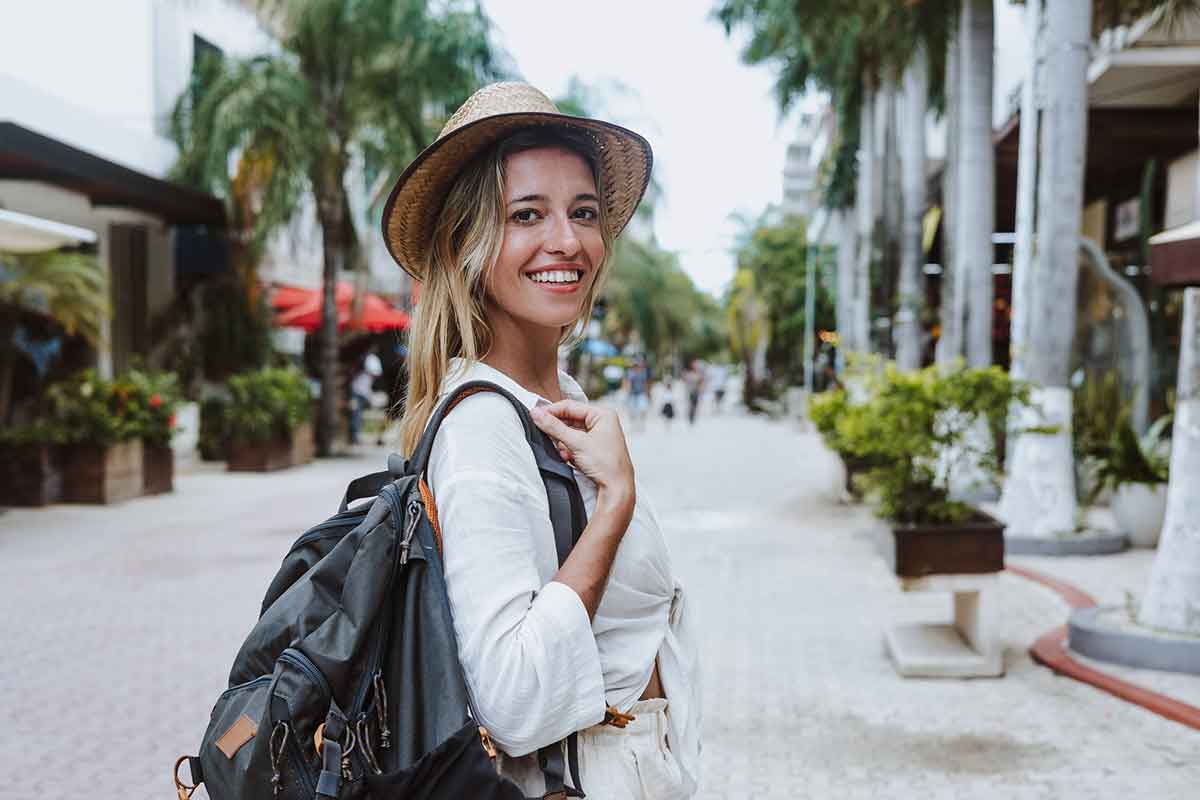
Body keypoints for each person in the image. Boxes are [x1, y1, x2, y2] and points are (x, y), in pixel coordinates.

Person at [384, 83, 700, 798]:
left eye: (582, 213)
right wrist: (615, 503)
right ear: (467, 244)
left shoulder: (558, 404)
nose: (568, 241)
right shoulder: (483, 428)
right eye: (527, 214)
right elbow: (515, 698)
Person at [348, 352, 382, 445]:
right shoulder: (364, 374)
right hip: (357, 393)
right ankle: (354, 437)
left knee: (358, 414)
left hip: (360, 393)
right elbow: (363, 389)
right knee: (356, 414)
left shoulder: (366, 374)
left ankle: (356, 437)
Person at [624, 356, 651, 432]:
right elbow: (628, 382)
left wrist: (648, 393)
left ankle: (641, 424)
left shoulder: (644, 372)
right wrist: (627, 392)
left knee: (643, 409)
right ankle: (633, 425)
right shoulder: (630, 373)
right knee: (632, 410)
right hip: (633, 394)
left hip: (641, 393)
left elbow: (646, 383)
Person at [682, 359, 705, 426]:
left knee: (695, 405)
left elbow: (701, 381)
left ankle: (692, 416)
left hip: (696, 391)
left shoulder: (697, 374)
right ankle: (690, 416)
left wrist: (700, 388)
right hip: (690, 392)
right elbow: (684, 380)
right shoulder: (688, 373)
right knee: (691, 404)